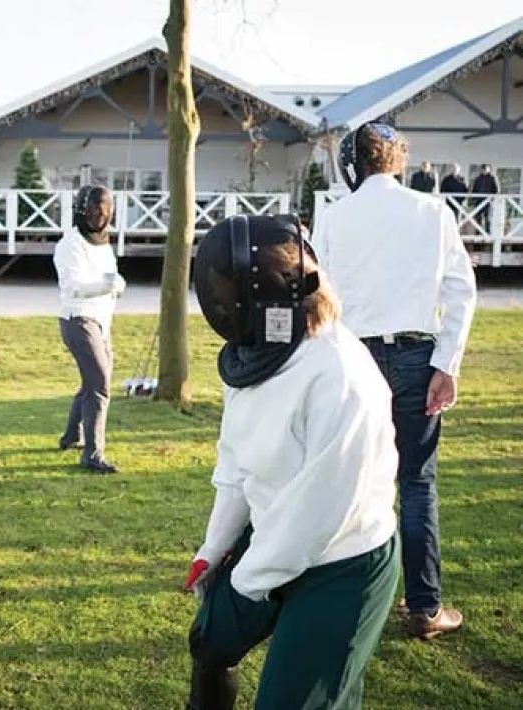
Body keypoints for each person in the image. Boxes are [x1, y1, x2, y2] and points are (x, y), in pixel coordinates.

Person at [183, 214, 400, 710]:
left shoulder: (340, 377)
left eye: (226, 288)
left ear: (265, 294)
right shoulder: (254, 355)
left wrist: (246, 584)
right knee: (209, 645)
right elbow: (237, 465)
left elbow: (315, 515)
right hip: (276, 539)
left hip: (343, 564)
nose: (217, 301)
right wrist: (213, 548)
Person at [313, 122, 477, 639]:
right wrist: (446, 364)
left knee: (351, 480)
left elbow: (319, 297)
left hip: (353, 357)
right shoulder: (433, 212)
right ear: (397, 160)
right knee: (415, 482)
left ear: (353, 163)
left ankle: (340, 601)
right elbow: (460, 291)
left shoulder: (335, 217)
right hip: (415, 356)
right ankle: (425, 608)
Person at [52, 184, 125, 474]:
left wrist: (117, 283)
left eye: (106, 209)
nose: (100, 214)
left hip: (101, 321)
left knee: (93, 380)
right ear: (82, 210)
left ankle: (71, 437)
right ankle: (93, 455)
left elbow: (110, 276)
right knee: (99, 384)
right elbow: (73, 286)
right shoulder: (69, 245)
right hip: (78, 319)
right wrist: (105, 286)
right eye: (95, 209)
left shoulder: (104, 242)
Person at [469, 164, 499, 233]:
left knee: (487, 218)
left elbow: (496, 190)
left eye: (485, 169)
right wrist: (473, 197)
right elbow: (474, 190)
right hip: (479, 201)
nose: (484, 170)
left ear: (488, 169)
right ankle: (477, 233)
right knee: (478, 218)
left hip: (488, 201)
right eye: (482, 169)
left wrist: (492, 199)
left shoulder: (492, 178)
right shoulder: (478, 179)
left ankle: (487, 234)